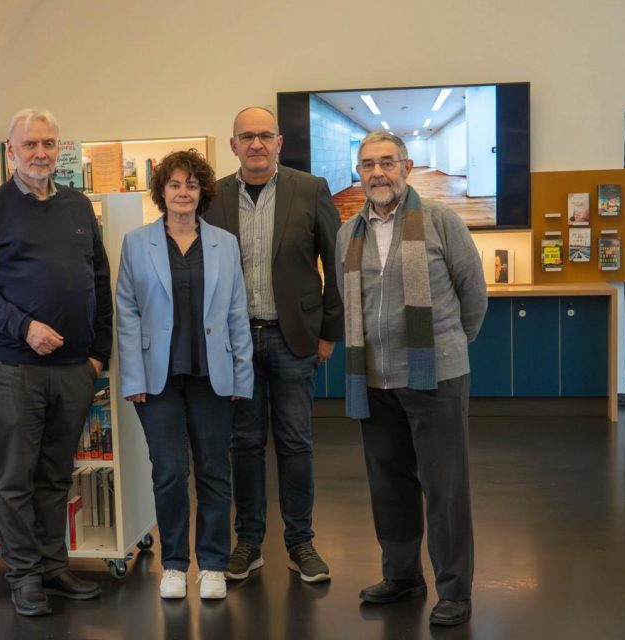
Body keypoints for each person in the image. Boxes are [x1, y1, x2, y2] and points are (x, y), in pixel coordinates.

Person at [0, 108, 111, 617]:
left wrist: (97, 355)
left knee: (55, 474)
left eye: (48, 144)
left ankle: (52, 565)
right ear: (10, 150)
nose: (40, 153)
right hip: (16, 368)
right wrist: (23, 326)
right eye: (30, 145)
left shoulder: (78, 207)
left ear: (58, 148)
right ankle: (23, 576)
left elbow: (98, 282)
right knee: (16, 477)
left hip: (75, 370)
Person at [335, 131, 487, 627]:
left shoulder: (442, 222)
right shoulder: (347, 232)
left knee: (445, 488)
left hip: (435, 377)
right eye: (367, 165)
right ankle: (401, 576)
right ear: (357, 173)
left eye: (386, 163)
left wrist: (444, 348)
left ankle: (454, 590)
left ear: (407, 166)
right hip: (374, 379)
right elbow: (346, 297)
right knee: (389, 484)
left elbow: (473, 297)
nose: (377, 173)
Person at [201, 106, 342, 583]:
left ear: (279, 142)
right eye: (247, 136)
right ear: (233, 143)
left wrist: (329, 332)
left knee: (296, 443)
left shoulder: (311, 189)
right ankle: (248, 542)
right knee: (244, 444)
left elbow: (335, 263)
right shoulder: (213, 196)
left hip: (293, 336)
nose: (256, 144)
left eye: (265, 135)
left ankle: (301, 542)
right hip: (235, 341)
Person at [117, 150, 253, 600]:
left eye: (191, 185)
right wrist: (132, 378)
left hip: (212, 377)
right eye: (174, 184)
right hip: (159, 380)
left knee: (215, 470)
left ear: (202, 193)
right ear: (161, 192)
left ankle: (213, 563)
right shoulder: (137, 243)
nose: (182, 192)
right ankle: (174, 564)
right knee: (170, 472)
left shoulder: (224, 243)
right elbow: (127, 312)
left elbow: (237, 313)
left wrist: (241, 376)